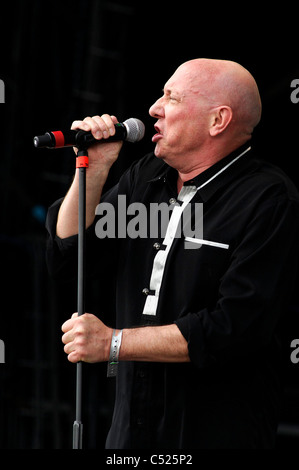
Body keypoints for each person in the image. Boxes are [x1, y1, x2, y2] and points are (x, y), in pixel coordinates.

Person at [46, 58, 299, 449]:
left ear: (218, 120)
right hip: (131, 431)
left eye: (172, 97)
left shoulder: (268, 200)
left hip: (216, 432)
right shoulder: (146, 177)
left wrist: (114, 343)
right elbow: (70, 256)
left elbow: (234, 327)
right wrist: (93, 170)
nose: (154, 109)